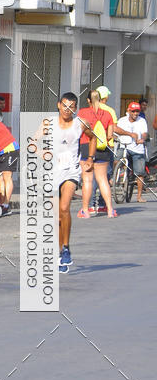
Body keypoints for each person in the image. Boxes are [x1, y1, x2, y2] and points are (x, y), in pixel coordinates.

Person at [55, 92, 97, 273]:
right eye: (65, 105)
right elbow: (33, 142)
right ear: (58, 105)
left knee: (64, 208)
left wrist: (90, 158)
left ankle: (66, 247)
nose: (67, 109)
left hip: (71, 171)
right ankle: (61, 254)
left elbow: (93, 137)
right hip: (52, 172)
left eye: (71, 106)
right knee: (56, 216)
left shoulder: (80, 124)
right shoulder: (49, 124)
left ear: (75, 108)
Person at [77, 89, 116, 218]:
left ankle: (85, 211)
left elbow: (78, 131)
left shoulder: (82, 113)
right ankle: (110, 210)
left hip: (86, 147)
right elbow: (110, 135)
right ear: (100, 99)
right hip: (102, 148)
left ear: (88, 100)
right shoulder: (107, 114)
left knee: (87, 180)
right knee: (103, 179)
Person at [116, 102, 148, 202]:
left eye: (137, 111)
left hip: (137, 149)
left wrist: (142, 139)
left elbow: (144, 133)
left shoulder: (142, 121)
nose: (135, 113)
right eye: (133, 111)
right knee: (116, 160)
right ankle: (116, 175)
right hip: (125, 146)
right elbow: (116, 129)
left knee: (140, 173)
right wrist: (130, 134)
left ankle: (139, 196)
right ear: (129, 111)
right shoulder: (122, 120)